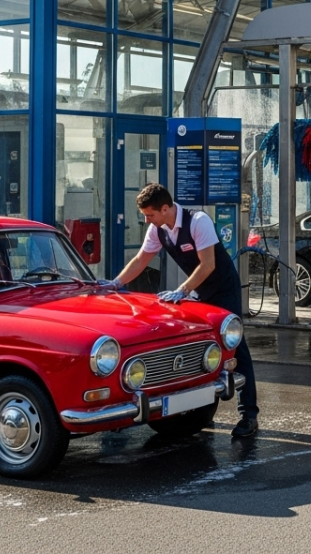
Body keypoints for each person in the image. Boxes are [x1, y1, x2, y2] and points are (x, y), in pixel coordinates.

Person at [105, 183, 259, 438]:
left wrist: (182, 291)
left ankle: (249, 415)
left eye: (150, 215)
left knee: (235, 347)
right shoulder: (158, 229)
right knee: (195, 344)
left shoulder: (198, 221)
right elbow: (141, 260)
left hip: (223, 289)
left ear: (165, 208)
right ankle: (196, 407)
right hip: (198, 291)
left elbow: (208, 265)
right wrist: (116, 283)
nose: (146, 220)